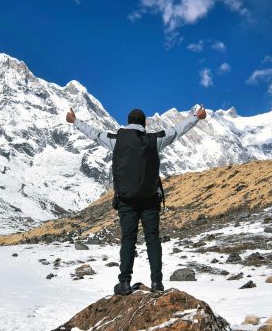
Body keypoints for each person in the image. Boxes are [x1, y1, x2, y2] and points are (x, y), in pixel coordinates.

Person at [67, 105, 207, 294]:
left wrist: (75, 121)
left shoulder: (116, 140)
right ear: (145, 123)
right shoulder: (154, 139)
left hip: (126, 201)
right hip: (150, 199)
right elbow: (176, 131)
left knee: (128, 240)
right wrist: (195, 117)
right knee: (152, 239)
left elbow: (94, 134)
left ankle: (124, 282)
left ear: (128, 122)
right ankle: (157, 283)